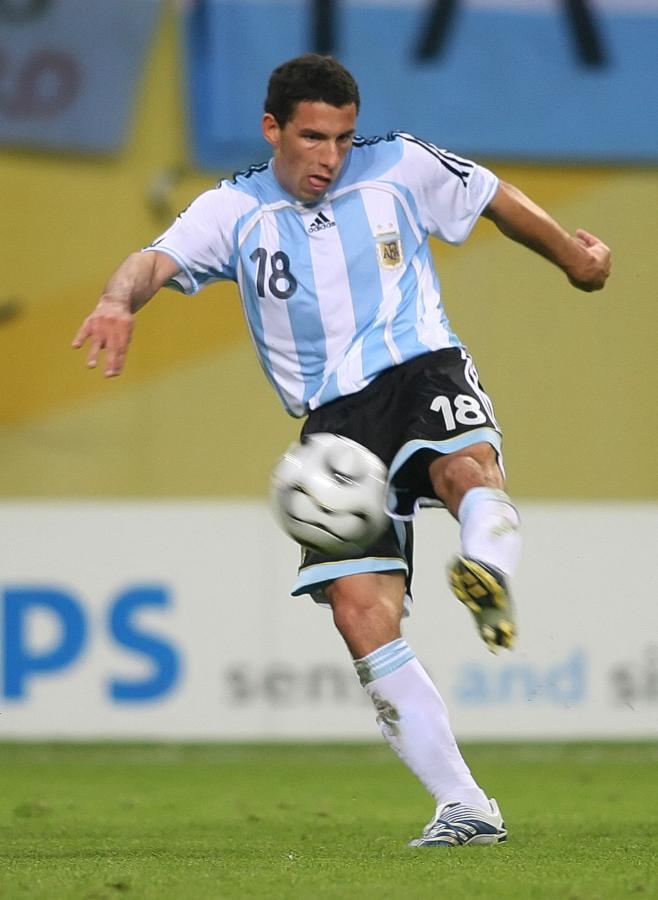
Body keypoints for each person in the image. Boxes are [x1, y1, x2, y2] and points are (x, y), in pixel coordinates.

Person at [72, 54, 611, 847]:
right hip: (333, 420)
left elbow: (494, 199)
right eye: (314, 137)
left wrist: (574, 256)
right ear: (273, 130)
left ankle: (486, 569)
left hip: (420, 364)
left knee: (464, 468)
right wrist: (118, 300)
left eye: (343, 138)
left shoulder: (399, 163)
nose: (330, 157)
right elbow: (153, 262)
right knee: (361, 616)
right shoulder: (232, 209)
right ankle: (466, 806)